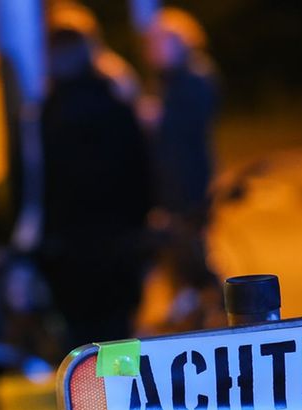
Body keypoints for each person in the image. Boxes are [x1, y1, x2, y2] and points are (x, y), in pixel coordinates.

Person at [39, 27, 153, 349]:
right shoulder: (116, 105)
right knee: (119, 338)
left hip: (68, 250)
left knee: (78, 344)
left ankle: (84, 398)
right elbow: (141, 174)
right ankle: (122, 397)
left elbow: (39, 184)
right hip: (118, 244)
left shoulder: (47, 114)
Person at [145, 8, 222, 323]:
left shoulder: (194, 78)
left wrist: (156, 119)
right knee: (181, 244)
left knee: (189, 243)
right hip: (175, 178)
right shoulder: (171, 81)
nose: (156, 50)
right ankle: (193, 299)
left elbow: (183, 129)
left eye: (163, 43)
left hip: (189, 178)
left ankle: (218, 299)